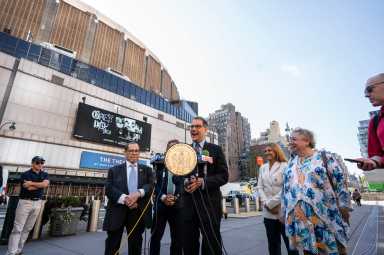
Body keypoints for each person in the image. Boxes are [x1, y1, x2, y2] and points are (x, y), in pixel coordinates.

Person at [281, 128, 351, 255]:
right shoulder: (291, 163)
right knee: (308, 251)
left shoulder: (325, 157)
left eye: (294, 139)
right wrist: (284, 211)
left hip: (326, 218)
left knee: (332, 250)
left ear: (307, 141)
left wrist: (344, 207)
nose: (290, 142)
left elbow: (340, 183)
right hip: (301, 222)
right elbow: (285, 189)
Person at [182, 116, 229, 255]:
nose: (193, 129)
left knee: (211, 244)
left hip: (210, 206)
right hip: (189, 206)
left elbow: (224, 176)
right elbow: (177, 177)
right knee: (189, 244)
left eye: (197, 126)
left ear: (205, 130)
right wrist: (184, 182)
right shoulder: (184, 151)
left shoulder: (215, 150)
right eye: (192, 127)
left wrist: (203, 182)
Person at [103, 142, 154, 255]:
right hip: (117, 212)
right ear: (125, 152)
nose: (134, 153)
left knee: (135, 244)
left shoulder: (147, 170)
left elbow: (150, 186)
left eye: (136, 151)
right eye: (131, 150)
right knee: (112, 244)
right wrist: (125, 199)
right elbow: (109, 188)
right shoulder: (114, 170)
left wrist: (138, 194)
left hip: (137, 211)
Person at [257, 143, 299, 255]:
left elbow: (287, 187)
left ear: (276, 151)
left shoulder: (285, 166)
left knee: (291, 246)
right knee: (273, 245)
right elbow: (260, 187)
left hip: (284, 211)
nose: (267, 153)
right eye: (265, 151)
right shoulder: (262, 168)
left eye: (269, 150)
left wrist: (272, 203)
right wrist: (267, 204)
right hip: (268, 213)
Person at [7, 156, 49, 255]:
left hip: (37, 203)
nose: (40, 165)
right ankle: (11, 252)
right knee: (18, 228)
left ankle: (19, 250)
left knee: (28, 228)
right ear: (33, 163)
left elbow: (45, 185)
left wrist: (32, 183)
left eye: (42, 163)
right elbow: (28, 188)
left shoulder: (45, 174)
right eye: (38, 162)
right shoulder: (25, 174)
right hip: (25, 202)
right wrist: (39, 185)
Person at [150, 139, 183, 255]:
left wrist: (176, 197)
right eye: (170, 148)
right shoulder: (159, 165)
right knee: (155, 237)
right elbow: (155, 184)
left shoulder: (184, 166)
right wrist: (163, 197)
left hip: (177, 206)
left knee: (177, 238)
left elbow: (183, 185)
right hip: (161, 206)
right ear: (167, 150)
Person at [357, 73, 384, 171]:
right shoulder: (375, 122)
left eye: (369, 89)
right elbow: (377, 155)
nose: (366, 95)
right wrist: (373, 162)